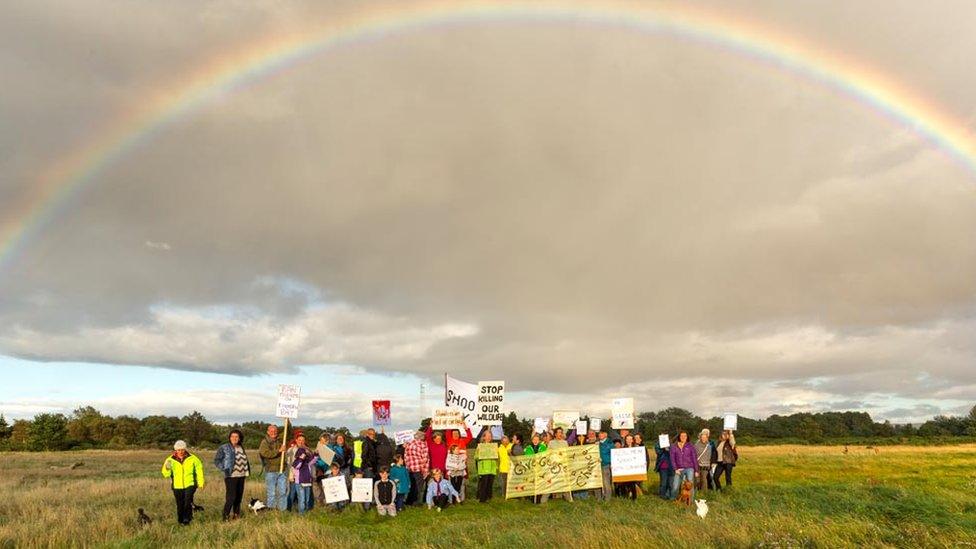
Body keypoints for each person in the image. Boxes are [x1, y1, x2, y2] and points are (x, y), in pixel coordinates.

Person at [161, 440, 205, 525]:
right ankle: (180, 519)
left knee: (187, 501)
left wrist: (201, 482)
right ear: (175, 450)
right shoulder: (170, 460)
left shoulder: (193, 458)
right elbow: (166, 474)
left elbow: (199, 470)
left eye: (182, 450)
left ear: (185, 449)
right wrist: (167, 468)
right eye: (178, 450)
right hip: (177, 485)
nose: (180, 452)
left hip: (190, 484)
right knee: (179, 503)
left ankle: (186, 519)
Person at [213, 429, 249, 520]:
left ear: (240, 438)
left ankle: (236, 515)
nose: (234, 438)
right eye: (232, 436)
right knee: (231, 497)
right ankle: (225, 516)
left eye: (236, 436)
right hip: (231, 476)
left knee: (239, 497)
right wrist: (224, 468)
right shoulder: (224, 447)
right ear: (229, 438)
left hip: (242, 475)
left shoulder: (241, 447)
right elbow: (217, 460)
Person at [258, 424, 287, 511]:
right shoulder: (264, 442)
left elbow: (287, 430)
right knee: (272, 493)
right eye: (271, 431)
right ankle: (271, 511)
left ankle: (282, 510)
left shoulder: (281, 440)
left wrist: (287, 420)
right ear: (268, 432)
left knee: (283, 492)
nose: (273, 432)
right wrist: (279, 451)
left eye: (275, 431)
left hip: (282, 470)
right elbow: (265, 453)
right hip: (271, 471)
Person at [404, 431, 429, 506]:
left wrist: (407, 467)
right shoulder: (423, 444)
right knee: (419, 487)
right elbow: (425, 458)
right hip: (419, 468)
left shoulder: (408, 444)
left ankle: (409, 501)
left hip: (410, 468)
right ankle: (417, 502)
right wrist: (425, 470)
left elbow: (405, 457)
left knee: (412, 485)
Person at [670, 431, 697, 501]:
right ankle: (673, 499)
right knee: (675, 485)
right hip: (679, 469)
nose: (683, 437)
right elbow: (672, 459)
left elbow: (694, 458)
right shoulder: (674, 446)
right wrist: (675, 469)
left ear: (687, 437)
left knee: (690, 483)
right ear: (679, 437)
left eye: (685, 436)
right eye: (681, 436)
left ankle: (690, 500)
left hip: (689, 468)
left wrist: (696, 470)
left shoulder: (690, 446)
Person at [292, 434, 315, 514]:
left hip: (307, 481)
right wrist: (301, 458)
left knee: (307, 499)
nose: (301, 442)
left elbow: (311, 463)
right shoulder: (296, 458)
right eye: (299, 440)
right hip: (299, 481)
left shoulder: (307, 458)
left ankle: (305, 513)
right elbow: (296, 466)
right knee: (301, 499)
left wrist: (316, 456)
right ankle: (301, 514)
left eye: (303, 440)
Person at [474, 430, 498, 503]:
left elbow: (497, 457)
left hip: (492, 467)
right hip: (483, 468)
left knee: (490, 484)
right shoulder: (480, 446)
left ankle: (488, 498)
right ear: (484, 437)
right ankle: (482, 499)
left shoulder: (494, 446)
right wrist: (480, 455)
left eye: (490, 436)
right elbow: (475, 457)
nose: (488, 437)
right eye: (487, 436)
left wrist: (496, 466)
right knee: (483, 484)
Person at [654, 434, 674, 500]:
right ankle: (662, 496)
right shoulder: (657, 444)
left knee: (670, 482)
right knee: (663, 482)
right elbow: (658, 452)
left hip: (671, 466)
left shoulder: (671, 444)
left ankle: (669, 495)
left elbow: (673, 453)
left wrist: (669, 448)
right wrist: (663, 448)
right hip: (663, 466)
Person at [597, 430, 614, 500]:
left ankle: (608, 498)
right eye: (599, 433)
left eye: (602, 433)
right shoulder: (598, 443)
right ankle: (601, 497)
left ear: (606, 434)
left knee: (606, 482)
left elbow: (612, 455)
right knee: (600, 482)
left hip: (606, 465)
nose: (600, 435)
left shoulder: (609, 443)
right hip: (598, 466)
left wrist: (603, 460)